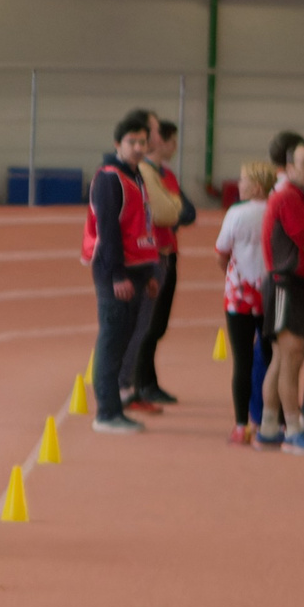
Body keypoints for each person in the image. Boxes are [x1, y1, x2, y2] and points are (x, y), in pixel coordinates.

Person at [85, 111, 163, 434]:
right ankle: (106, 412)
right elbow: (109, 231)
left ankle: (114, 407)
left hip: (139, 269)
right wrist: (117, 275)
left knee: (124, 338)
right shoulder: (109, 178)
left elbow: (142, 223)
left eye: (143, 142)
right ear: (118, 143)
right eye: (131, 142)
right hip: (117, 272)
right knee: (112, 341)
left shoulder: (137, 175)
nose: (138, 147)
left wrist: (151, 273)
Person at [258, 134, 304, 452]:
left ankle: (270, 426)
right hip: (286, 283)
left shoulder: (294, 197)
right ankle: (294, 429)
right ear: (289, 167)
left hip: (289, 282)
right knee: (292, 356)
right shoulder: (289, 198)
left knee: (281, 358)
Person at [133, 118, 198, 404]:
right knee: (148, 323)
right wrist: (173, 210)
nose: (174, 147)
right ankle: (141, 382)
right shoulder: (146, 174)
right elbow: (165, 213)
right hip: (154, 254)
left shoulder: (167, 176)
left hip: (169, 254)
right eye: (172, 141)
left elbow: (189, 212)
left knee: (157, 324)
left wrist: (172, 211)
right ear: (164, 142)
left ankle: (147, 380)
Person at [214, 160, 274, 445]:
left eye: (243, 180)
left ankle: (240, 424)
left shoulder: (236, 213)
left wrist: (230, 269)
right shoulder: (277, 211)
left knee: (242, 359)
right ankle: (270, 418)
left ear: (257, 186)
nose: (239, 185)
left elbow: (222, 252)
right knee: (272, 356)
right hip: (271, 293)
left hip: (240, 294)